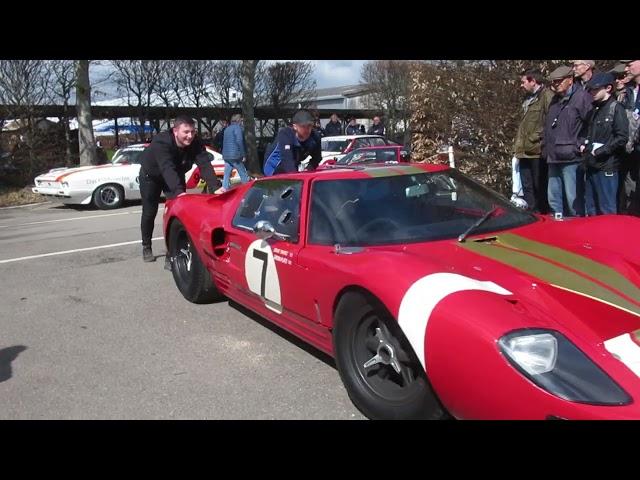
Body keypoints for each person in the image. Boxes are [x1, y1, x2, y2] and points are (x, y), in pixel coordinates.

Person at [138, 115, 220, 264]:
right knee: (149, 212)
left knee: (177, 214)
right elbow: (166, 167)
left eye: (193, 132)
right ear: (175, 131)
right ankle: (146, 246)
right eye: (186, 132)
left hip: (175, 174)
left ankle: (172, 253)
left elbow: (204, 164)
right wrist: (179, 192)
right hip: (152, 176)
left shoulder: (194, 142)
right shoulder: (162, 142)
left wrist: (215, 187)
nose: (190, 136)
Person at [542, 65, 593, 217]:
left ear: (569, 80)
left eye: (558, 81)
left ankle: (579, 230)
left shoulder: (582, 97)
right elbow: (548, 126)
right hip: (553, 157)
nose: (555, 85)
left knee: (574, 200)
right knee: (553, 198)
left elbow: (591, 123)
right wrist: (544, 146)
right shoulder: (554, 100)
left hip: (572, 158)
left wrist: (580, 144)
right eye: (553, 82)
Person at [580, 72, 629, 215]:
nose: (592, 93)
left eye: (596, 89)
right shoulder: (594, 110)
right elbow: (588, 133)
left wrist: (601, 151)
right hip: (591, 165)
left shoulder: (616, 108)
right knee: (591, 209)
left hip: (607, 167)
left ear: (608, 88)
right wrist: (585, 146)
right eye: (591, 90)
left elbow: (622, 138)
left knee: (607, 210)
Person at [513, 68, 554, 213]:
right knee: (527, 185)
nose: (521, 85)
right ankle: (533, 212)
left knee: (540, 185)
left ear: (533, 81)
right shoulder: (527, 99)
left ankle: (544, 212)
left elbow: (550, 121)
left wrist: (535, 137)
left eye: (524, 82)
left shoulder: (547, 96)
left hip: (537, 150)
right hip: (524, 151)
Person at [263, 109, 322, 175]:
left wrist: (308, 169)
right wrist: (295, 177)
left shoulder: (315, 137)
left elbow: (317, 158)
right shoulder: (286, 134)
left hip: (293, 164)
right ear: (295, 127)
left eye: (309, 126)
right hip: (273, 168)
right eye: (303, 126)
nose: (307, 129)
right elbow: (287, 159)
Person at [217, 114, 250, 194]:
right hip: (235, 155)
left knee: (226, 174)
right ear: (238, 120)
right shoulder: (238, 128)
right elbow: (239, 141)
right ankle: (247, 190)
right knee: (243, 173)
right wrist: (243, 154)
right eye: (241, 120)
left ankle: (224, 190)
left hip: (226, 155)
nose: (242, 122)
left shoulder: (227, 129)